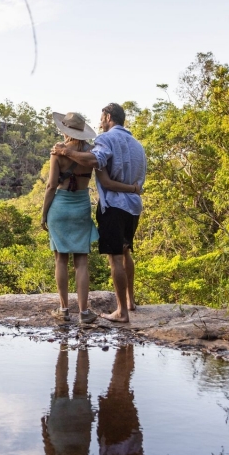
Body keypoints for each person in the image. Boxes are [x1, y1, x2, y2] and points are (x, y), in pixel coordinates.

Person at [52, 103, 146, 323]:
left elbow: (97, 162)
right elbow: (138, 179)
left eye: (101, 117)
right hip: (133, 206)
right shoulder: (137, 145)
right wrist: (133, 189)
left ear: (108, 116)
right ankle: (130, 301)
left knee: (115, 257)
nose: (100, 122)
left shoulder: (105, 140)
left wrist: (65, 151)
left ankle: (122, 311)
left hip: (114, 206)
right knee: (125, 251)